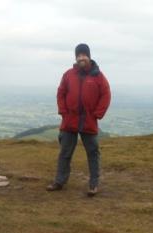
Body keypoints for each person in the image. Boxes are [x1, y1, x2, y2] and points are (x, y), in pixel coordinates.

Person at [46, 43, 112, 197]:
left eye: (84, 54)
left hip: (89, 120)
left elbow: (106, 94)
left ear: (89, 56)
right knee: (65, 152)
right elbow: (61, 93)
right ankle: (59, 181)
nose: (82, 57)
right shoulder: (69, 74)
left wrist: (97, 114)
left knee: (93, 153)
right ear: (76, 57)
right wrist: (63, 111)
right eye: (79, 55)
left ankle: (93, 185)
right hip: (70, 120)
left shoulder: (98, 76)